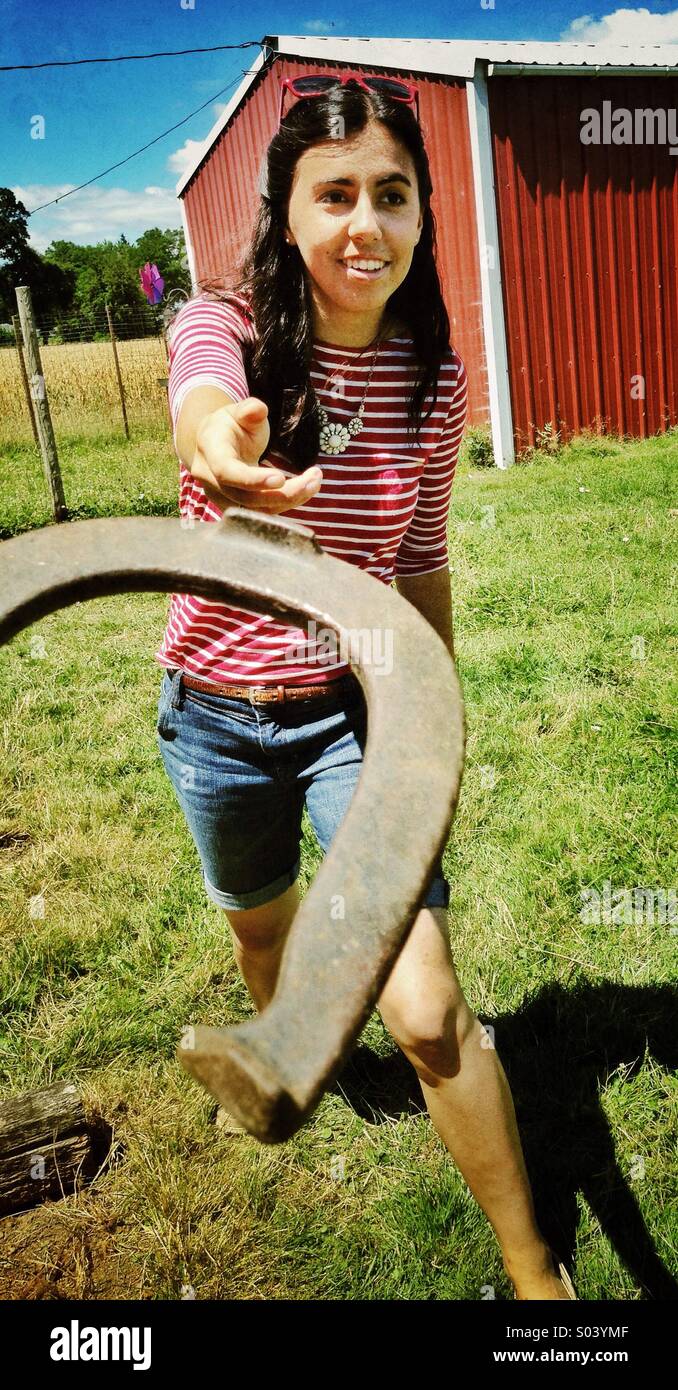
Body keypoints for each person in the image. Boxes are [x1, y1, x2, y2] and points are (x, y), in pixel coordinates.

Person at [154, 73, 576, 1301]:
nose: (365, 223)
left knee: (432, 1012)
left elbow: (423, 560)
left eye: (393, 195)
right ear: (288, 213)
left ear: (421, 217)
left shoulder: (434, 382)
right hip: (213, 719)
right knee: (263, 929)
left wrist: (431, 718)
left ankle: (534, 1275)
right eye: (334, 193)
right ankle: (290, 1059)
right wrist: (216, 439)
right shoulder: (223, 331)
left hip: (353, 714)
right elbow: (199, 400)